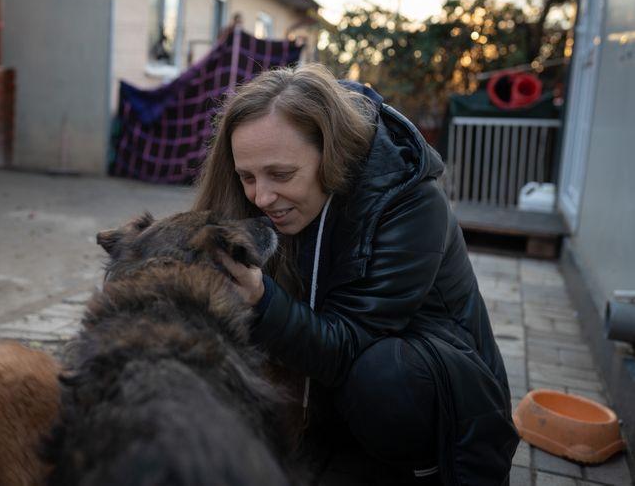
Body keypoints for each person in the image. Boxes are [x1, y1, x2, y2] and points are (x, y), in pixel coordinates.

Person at [193, 63, 518, 485]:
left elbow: (344, 344)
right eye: (246, 177)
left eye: (281, 174)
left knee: (383, 377)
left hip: (440, 397)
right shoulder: (266, 198)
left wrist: (262, 298)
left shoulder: (410, 202)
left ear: (331, 153)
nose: (262, 197)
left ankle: (426, 473)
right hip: (335, 403)